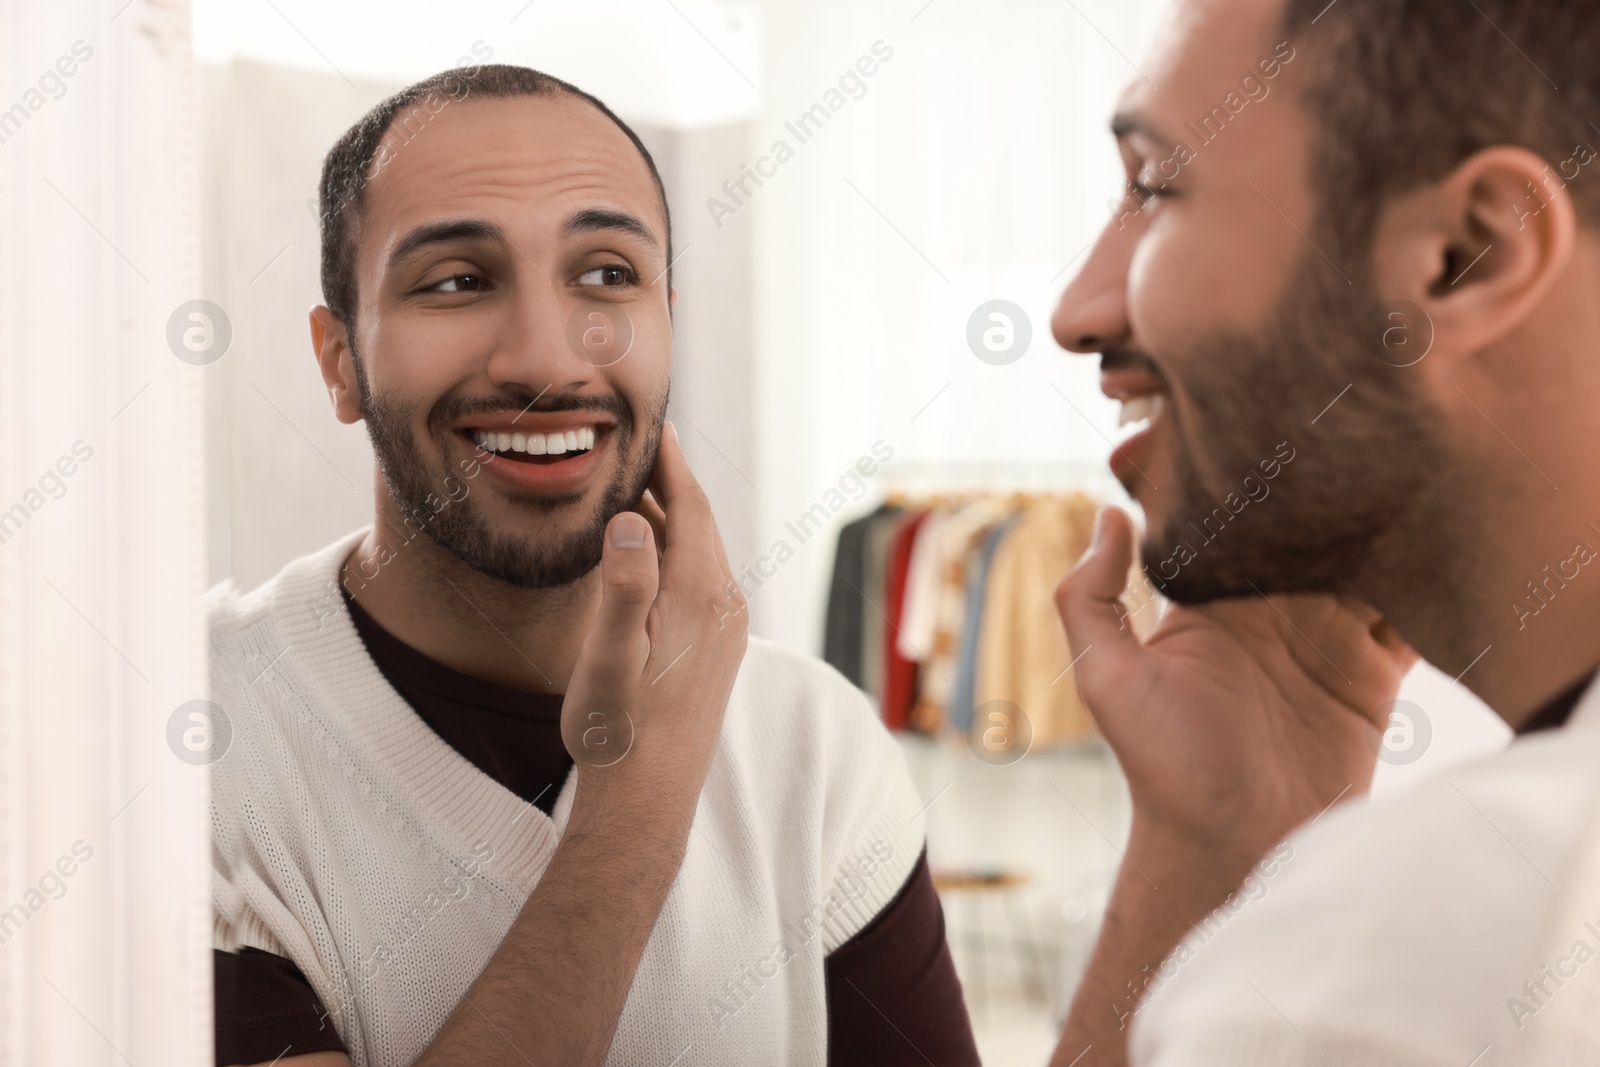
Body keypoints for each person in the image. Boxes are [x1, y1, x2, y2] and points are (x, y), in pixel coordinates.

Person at [209, 65, 979, 1067]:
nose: (547, 359)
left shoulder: (812, 740)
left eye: (608, 273)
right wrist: (643, 793)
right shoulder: (180, 742)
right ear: (339, 359)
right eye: (455, 281)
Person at [1045, 0, 1600, 1063]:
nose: (1079, 311)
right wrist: (1218, 831)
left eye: (1157, 188)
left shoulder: (1410, 965)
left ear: (1465, 256)